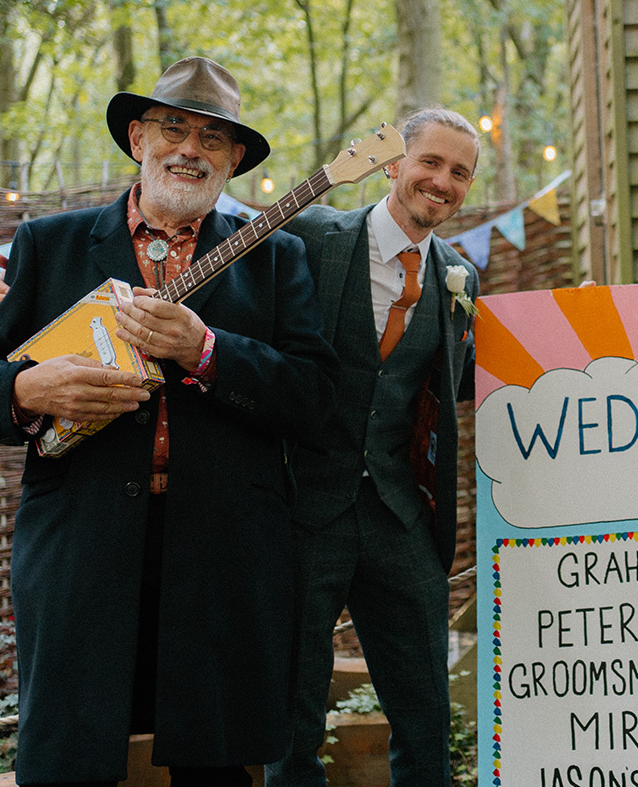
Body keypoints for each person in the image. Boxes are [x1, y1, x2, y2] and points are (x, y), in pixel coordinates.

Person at [0, 56, 337, 786]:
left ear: (232, 161)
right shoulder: (49, 246)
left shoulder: (276, 258)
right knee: (70, 763)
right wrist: (33, 389)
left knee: (217, 767)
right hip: (81, 549)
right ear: (138, 138)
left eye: (213, 138)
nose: (191, 149)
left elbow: (316, 401)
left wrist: (208, 351)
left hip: (223, 554)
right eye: (174, 128)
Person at [265, 108, 480, 786]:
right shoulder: (309, 238)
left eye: (460, 173)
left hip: (398, 513)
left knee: (425, 715)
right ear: (394, 165)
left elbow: (459, 379)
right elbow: (225, 298)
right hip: (305, 508)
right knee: (291, 715)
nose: (442, 182)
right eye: (430, 163)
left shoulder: (459, 279)